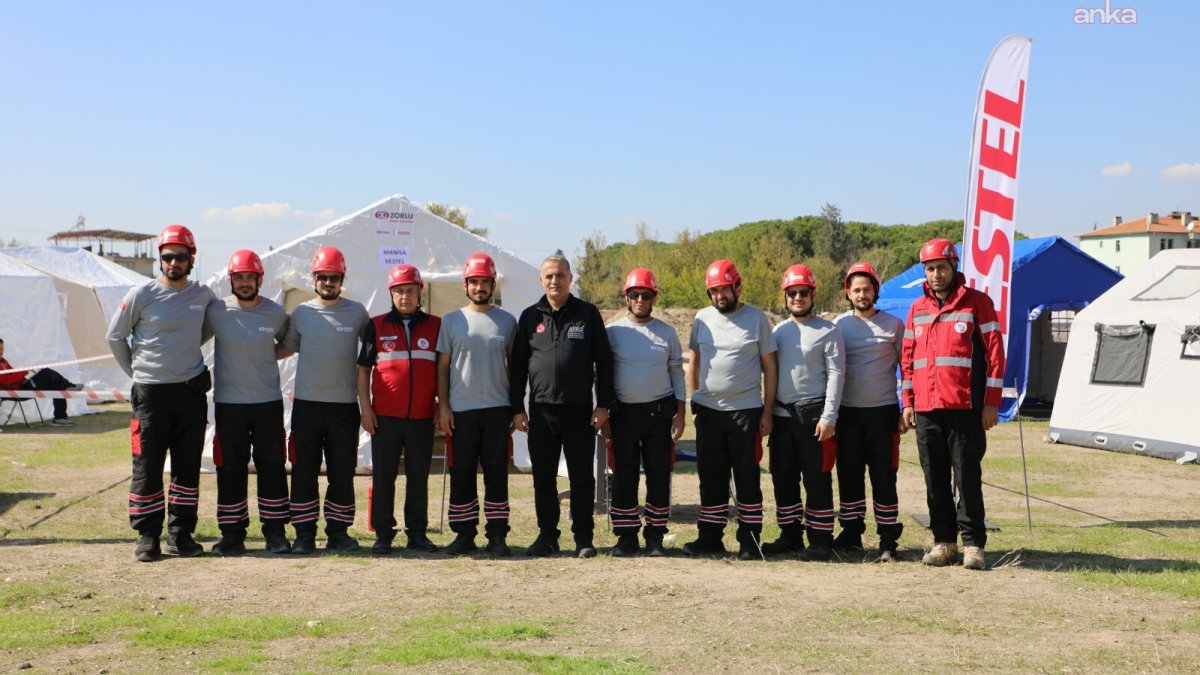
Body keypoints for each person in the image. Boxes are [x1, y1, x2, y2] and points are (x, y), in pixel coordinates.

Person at [107, 224, 217, 562]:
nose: (173, 263)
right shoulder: (140, 295)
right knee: (148, 466)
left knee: (187, 467)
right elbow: (115, 337)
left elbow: (208, 330)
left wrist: (180, 353)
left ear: (191, 259)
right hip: (151, 396)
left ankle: (181, 535)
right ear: (160, 259)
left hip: (189, 394)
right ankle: (148, 536)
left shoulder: (204, 296)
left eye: (180, 257)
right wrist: (138, 373)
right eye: (167, 257)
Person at [900, 238, 1005, 571]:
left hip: (965, 409)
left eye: (941, 268)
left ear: (954, 267)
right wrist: (908, 401)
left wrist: (991, 404)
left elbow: (996, 358)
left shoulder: (978, 303)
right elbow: (908, 360)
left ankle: (973, 544)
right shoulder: (916, 309)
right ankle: (943, 542)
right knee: (934, 479)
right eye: (930, 269)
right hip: (927, 409)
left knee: (967, 477)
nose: (935, 274)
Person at [509, 254, 614, 558]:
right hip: (541, 411)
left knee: (582, 476)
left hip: (579, 409)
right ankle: (547, 535)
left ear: (571, 278)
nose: (555, 281)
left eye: (560, 275)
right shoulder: (530, 317)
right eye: (549, 276)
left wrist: (603, 403)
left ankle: (583, 537)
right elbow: (517, 367)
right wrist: (517, 407)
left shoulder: (587, 314)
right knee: (543, 477)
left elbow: (604, 361)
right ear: (541, 281)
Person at [277, 246, 370, 555]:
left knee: (342, 472)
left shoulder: (357, 312)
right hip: (307, 406)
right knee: (303, 471)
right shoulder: (302, 313)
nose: (329, 282)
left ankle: (339, 532)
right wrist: (248, 350)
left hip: (344, 407)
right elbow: (286, 349)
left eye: (334, 277)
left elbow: (373, 353)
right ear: (314, 278)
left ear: (342, 279)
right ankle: (304, 534)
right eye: (323, 277)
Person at [686, 259, 778, 560]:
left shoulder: (757, 319)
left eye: (725, 289)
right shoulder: (701, 319)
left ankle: (750, 540)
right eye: (714, 291)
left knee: (747, 477)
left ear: (738, 287)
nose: (720, 296)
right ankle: (710, 538)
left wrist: (767, 411)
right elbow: (694, 362)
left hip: (746, 411)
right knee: (710, 477)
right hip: (709, 411)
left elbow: (770, 367)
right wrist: (694, 402)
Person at [205, 250, 291, 556]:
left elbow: (290, 341)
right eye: (238, 277)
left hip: (267, 402)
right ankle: (232, 534)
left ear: (259, 279)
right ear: (231, 280)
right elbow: (194, 338)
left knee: (272, 467)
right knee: (229, 469)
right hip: (229, 404)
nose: (244, 283)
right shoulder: (216, 312)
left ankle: (275, 532)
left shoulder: (275, 312)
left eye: (249, 277)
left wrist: (267, 356)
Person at [436, 252, 517, 556]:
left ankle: (497, 535)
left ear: (493, 284)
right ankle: (464, 535)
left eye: (485, 282)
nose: (480, 287)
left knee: (496, 473)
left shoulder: (508, 321)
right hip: (461, 411)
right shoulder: (451, 320)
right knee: (462, 474)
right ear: (465, 284)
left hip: (497, 410)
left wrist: (514, 407)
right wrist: (443, 406)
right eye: (475, 282)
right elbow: (442, 367)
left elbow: (515, 368)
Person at [763, 264, 845, 561]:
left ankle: (820, 539)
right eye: (792, 293)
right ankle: (789, 536)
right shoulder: (778, 331)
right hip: (783, 419)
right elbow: (769, 372)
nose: (797, 297)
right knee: (782, 477)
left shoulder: (829, 331)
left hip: (814, 419)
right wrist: (767, 411)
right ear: (785, 296)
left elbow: (837, 375)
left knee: (817, 479)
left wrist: (829, 417)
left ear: (813, 293)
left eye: (803, 292)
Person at [357, 264, 441, 555]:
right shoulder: (376, 325)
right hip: (385, 418)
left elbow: (443, 371)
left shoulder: (435, 325)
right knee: (384, 477)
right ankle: (383, 533)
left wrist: (442, 407)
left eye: (410, 290)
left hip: (421, 417)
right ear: (390, 293)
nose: (405, 296)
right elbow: (363, 371)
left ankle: (417, 533)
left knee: (419, 477)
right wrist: (365, 410)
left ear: (420, 292)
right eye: (399, 291)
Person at [604, 268, 686, 557]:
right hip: (622, 415)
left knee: (658, 475)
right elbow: (601, 374)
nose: (640, 299)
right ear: (626, 297)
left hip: (658, 414)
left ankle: (655, 536)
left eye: (646, 295)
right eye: (634, 294)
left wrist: (681, 410)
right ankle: (626, 537)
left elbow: (676, 372)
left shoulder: (667, 332)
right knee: (624, 476)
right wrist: (602, 411)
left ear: (654, 298)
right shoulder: (613, 332)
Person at [832, 261, 906, 562]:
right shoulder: (839, 325)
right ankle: (851, 534)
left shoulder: (893, 325)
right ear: (848, 293)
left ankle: (888, 539)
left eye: (867, 289)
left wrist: (906, 407)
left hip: (883, 412)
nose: (862, 294)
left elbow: (907, 368)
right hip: (848, 413)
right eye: (856, 289)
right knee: (849, 476)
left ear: (876, 290)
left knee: (884, 478)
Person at [0, 338, 81, 427]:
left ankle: (60, 418)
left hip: (20, 386)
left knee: (57, 386)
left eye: (2, 349)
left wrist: (25, 375)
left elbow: (13, 373)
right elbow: (7, 380)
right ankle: (68, 385)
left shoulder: (3, 361)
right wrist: (25, 371)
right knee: (46, 372)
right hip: (14, 392)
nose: (1, 352)